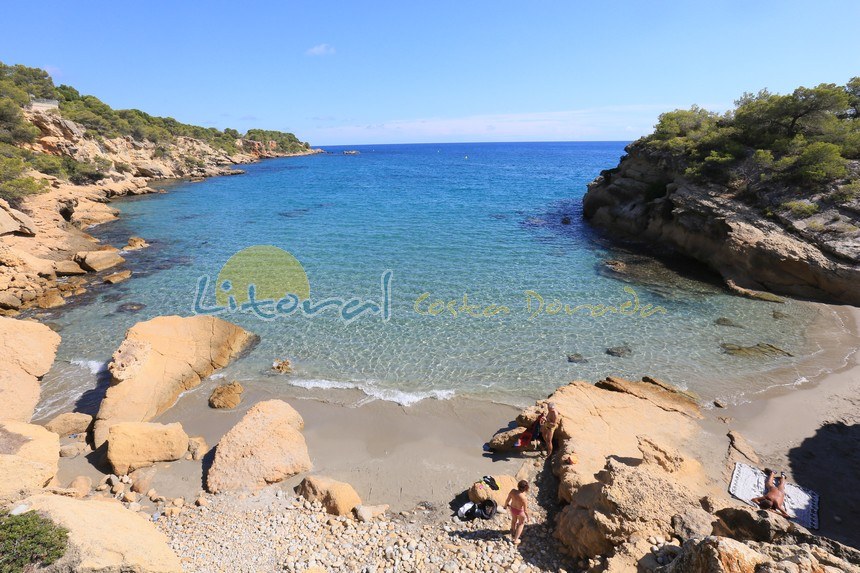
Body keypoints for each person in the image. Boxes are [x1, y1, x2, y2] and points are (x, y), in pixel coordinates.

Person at [503, 480, 530, 545]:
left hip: (512, 509)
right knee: (521, 524)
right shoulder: (524, 498)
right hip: (520, 512)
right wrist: (528, 517)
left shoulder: (512, 491)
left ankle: (512, 531)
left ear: (518, 485)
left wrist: (505, 506)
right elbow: (525, 510)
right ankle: (516, 539)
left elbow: (507, 500)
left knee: (514, 520)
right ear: (525, 488)